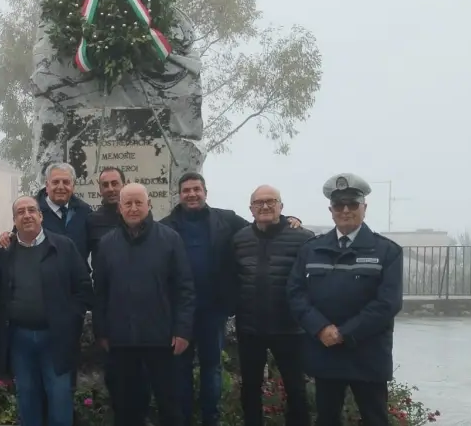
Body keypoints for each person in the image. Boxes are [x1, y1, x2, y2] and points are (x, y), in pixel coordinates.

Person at [159, 172, 302, 426]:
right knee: (179, 370)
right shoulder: (165, 226)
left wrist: (290, 220)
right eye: (186, 190)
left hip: (213, 310)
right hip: (179, 313)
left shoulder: (226, 220)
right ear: (179, 195)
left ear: (205, 192)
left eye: (196, 189)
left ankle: (211, 420)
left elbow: (262, 224)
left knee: (212, 368)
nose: (192, 194)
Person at [287, 173, 403, 426]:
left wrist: (344, 332)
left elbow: (387, 303)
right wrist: (320, 328)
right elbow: (296, 294)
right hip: (325, 350)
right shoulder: (311, 249)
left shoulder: (387, 251)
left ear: (364, 207)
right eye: (339, 205)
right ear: (331, 210)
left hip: (368, 353)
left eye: (352, 204)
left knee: (375, 419)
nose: (346, 210)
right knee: (327, 419)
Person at [92, 183, 196, 426]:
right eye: (127, 203)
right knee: (125, 408)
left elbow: (184, 288)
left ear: (149, 205)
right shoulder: (106, 244)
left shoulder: (170, 239)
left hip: (162, 340)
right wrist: (102, 331)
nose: (133, 208)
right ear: (119, 208)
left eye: (138, 202)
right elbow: (100, 292)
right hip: (121, 341)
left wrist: (182, 330)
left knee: (170, 406)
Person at [0, 195, 93, 426]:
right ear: (14, 220)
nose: (26, 215)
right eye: (20, 212)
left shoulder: (64, 246)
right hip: (19, 338)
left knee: (59, 397)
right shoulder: (5, 252)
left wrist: (70, 320)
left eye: (31, 210)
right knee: (27, 398)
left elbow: (83, 288)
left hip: (56, 338)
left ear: (41, 216)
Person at [229, 185, 314, 426]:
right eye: (259, 202)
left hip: (290, 328)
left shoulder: (303, 238)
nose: (265, 206)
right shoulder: (240, 238)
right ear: (251, 208)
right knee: (250, 388)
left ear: (281, 206)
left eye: (271, 201)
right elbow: (232, 276)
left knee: (296, 389)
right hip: (250, 327)